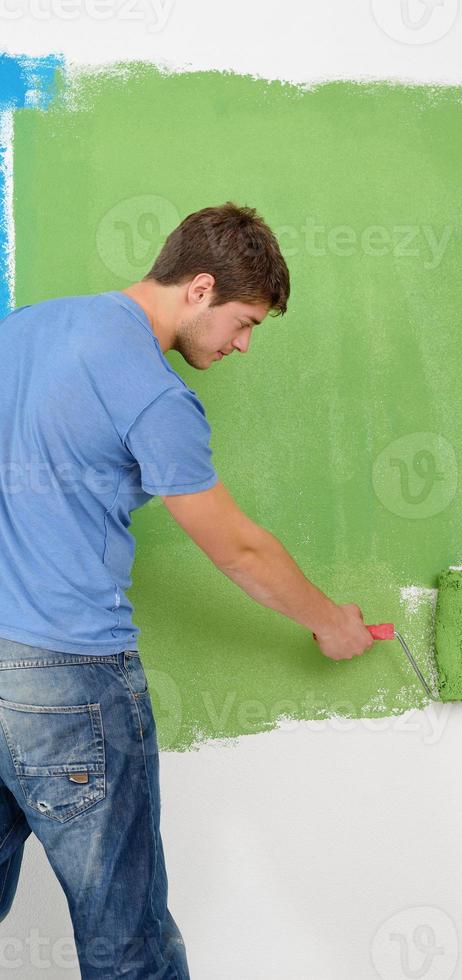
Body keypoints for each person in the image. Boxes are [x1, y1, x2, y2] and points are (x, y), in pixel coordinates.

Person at [0, 202, 374, 977]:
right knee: (128, 946)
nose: (240, 345)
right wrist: (330, 622)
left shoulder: (25, 330)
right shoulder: (152, 394)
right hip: (68, 683)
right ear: (199, 288)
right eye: (244, 322)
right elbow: (237, 548)